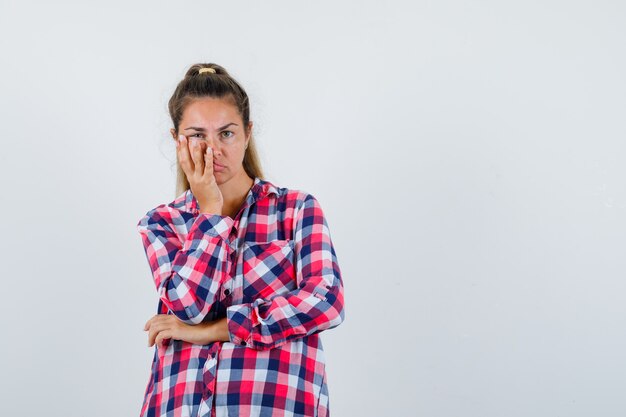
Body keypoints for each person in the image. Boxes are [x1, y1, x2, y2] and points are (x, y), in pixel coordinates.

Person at [136, 63, 346, 417]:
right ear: (177, 141)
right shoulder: (162, 223)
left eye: (227, 133)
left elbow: (326, 302)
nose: (213, 149)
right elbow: (189, 308)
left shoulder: (295, 210)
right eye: (197, 135)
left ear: (248, 134)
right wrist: (211, 215)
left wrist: (216, 330)